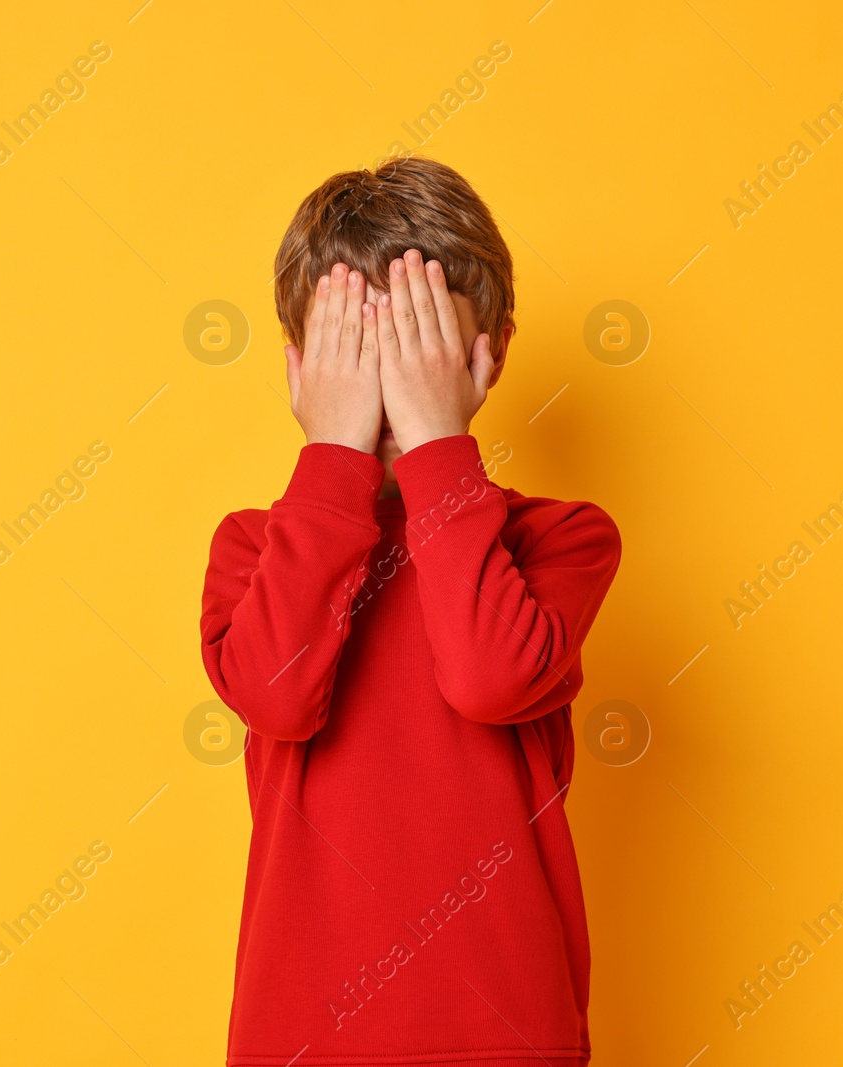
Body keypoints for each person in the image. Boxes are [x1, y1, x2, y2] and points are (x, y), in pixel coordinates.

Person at [200, 156, 622, 1067]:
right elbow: (278, 697)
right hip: (298, 1035)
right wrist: (333, 458)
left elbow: (489, 678)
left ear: (487, 355)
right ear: (300, 369)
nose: (386, 385)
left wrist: (438, 446)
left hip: (507, 1033)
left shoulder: (559, 539)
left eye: (415, 348)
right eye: (358, 350)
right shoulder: (252, 548)